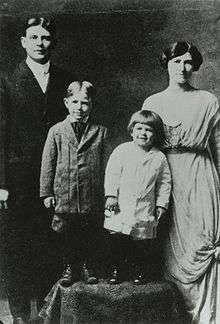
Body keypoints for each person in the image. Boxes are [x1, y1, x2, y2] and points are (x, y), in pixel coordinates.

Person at [0, 17, 73, 324]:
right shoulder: (6, 81)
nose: (40, 43)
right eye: (34, 37)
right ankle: (19, 314)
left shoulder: (65, 80)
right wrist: (1, 182)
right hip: (18, 180)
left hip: (56, 176)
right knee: (17, 245)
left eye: (45, 37)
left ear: (52, 42)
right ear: (23, 42)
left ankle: (46, 313)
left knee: (50, 243)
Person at [142, 41, 220, 323]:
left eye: (188, 62)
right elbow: (144, 148)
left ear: (195, 66)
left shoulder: (208, 101)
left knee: (200, 241)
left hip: (200, 175)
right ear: (166, 64)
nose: (182, 68)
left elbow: (219, 147)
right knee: (168, 244)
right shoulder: (153, 102)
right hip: (164, 175)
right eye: (176, 62)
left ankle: (208, 316)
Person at [40, 81, 109, 286]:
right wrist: (46, 193)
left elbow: (108, 166)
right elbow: (48, 163)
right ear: (66, 102)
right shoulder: (56, 131)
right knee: (67, 233)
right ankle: (69, 268)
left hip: (91, 193)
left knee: (89, 231)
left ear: (92, 105)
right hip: (64, 193)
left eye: (85, 103)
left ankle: (87, 267)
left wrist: (109, 193)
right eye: (75, 102)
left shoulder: (101, 132)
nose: (79, 107)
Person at [104, 110, 171, 284]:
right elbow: (112, 173)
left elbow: (164, 183)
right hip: (121, 205)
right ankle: (116, 270)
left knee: (140, 244)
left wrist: (161, 205)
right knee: (118, 239)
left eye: (148, 130)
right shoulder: (122, 150)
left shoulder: (159, 157)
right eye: (139, 128)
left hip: (144, 207)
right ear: (132, 131)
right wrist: (111, 195)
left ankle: (138, 271)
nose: (143, 133)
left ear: (155, 134)